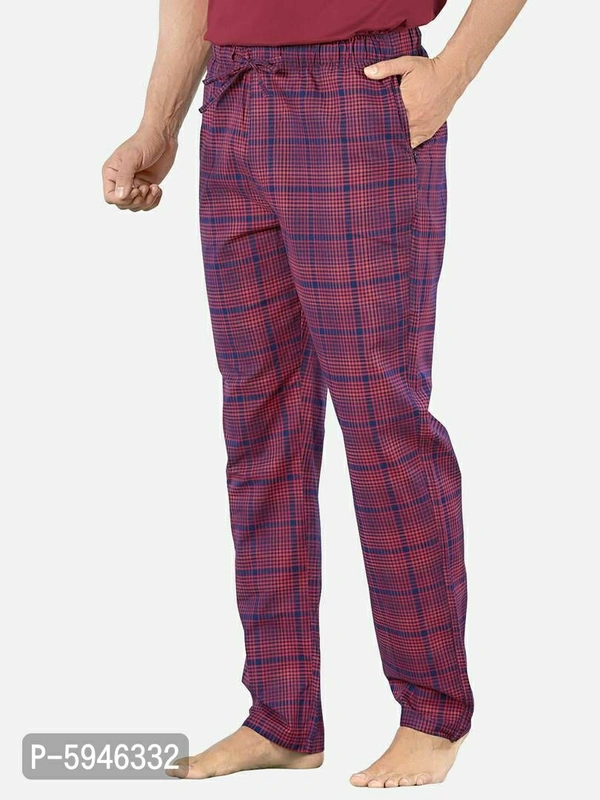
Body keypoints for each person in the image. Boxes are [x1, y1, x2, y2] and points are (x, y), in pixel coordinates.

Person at [102, 0, 527, 788]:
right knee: (259, 424)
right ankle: (282, 716)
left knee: (382, 418)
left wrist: (448, 79)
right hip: (232, 100)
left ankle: (434, 714)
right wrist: (157, 125)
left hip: (358, 93)